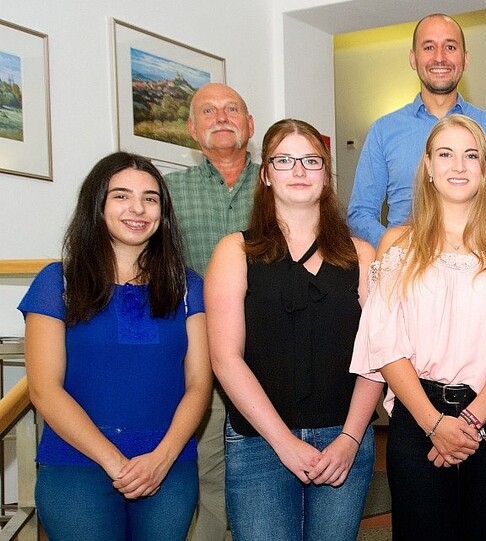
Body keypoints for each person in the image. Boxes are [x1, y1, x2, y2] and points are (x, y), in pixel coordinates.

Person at [351, 114, 486, 541]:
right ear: (428, 166)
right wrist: (434, 424)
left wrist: (469, 421)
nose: (458, 166)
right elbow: (385, 342)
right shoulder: (396, 244)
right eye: (445, 154)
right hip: (417, 418)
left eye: (471, 156)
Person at [204, 119, 383, 541]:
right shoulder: (234, 251)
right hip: (259, 442)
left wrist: (350, 438)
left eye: (311, 160)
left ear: (326, 173)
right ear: (266, 174)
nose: (299, 170)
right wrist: (284, 442)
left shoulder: (362, 256)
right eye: (284, 160)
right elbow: (225, 359)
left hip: (344, 440)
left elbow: (379, 354)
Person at [20, 151, 213, 541]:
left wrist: (161, 459)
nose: (138, 208)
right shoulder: (57, 282)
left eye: (150, 198)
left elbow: (199, 385)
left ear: (163, 211)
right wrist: (115, 462)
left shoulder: (187, 286)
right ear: (98, 204)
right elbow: (44, 389)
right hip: (76, 465)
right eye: (121, 196)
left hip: (167, 467)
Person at [164, 82, 257, 541]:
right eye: (208, 111)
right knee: (207, 472)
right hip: (196, 357)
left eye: (231, 109)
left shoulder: (281, 182)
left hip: (271, 357)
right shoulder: (166, 192)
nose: (221, 117)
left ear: (249, 125)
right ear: (192, 128)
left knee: (268, 468)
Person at [347, 13, 486, 247]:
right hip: (405, 264)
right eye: (429, 47)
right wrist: (399, 248)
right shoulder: (384, 131)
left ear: (465, 59)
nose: (440, 57)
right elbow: (360, 213)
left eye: (450, 47)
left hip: (479, 262)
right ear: (413, 59)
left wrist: (473, 247)